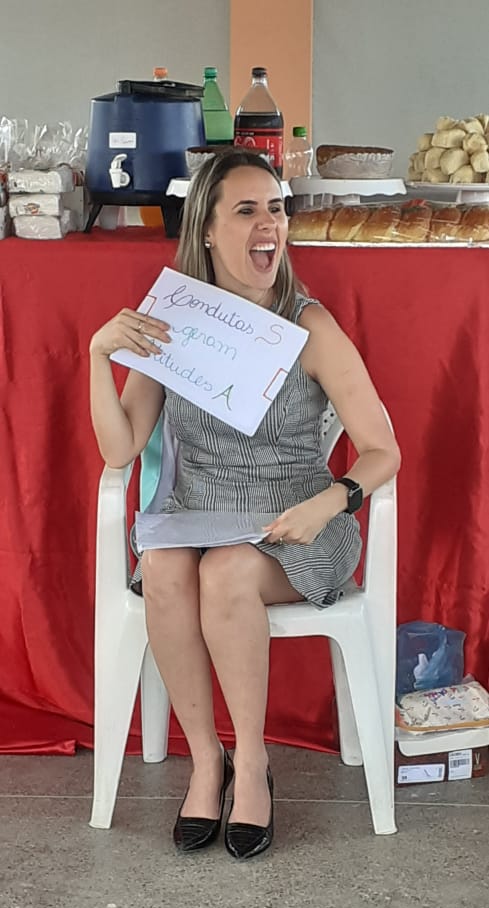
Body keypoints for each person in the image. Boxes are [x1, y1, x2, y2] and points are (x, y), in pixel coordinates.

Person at [90, 149, 401, 861]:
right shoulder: (172, 320)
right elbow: (121, 448)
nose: (270, 226)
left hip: (298, 522)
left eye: (277, 210)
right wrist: (99, 358)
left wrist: (334, 499)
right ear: (206, 229)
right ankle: (208, 760)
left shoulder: (308, 325)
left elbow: (383, 450)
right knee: (165, 567)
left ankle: (253, 762)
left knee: (226, 571)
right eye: (247, 210)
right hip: (197, 513)